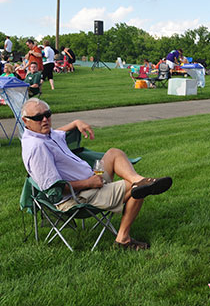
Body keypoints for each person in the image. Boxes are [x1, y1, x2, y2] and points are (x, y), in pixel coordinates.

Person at [20, 98, 173, 250]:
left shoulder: (42, 134)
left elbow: (58, 133)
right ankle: (123, 239)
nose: (45, 119)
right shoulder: (37, 148)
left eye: (48, 114)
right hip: (79, 196)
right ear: (25, 121)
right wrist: (89, 183)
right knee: (136, 189)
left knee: (114, 153)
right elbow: (54, 190)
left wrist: (75, 122)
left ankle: (141, 180)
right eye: (39, 117)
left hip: (92, 179)